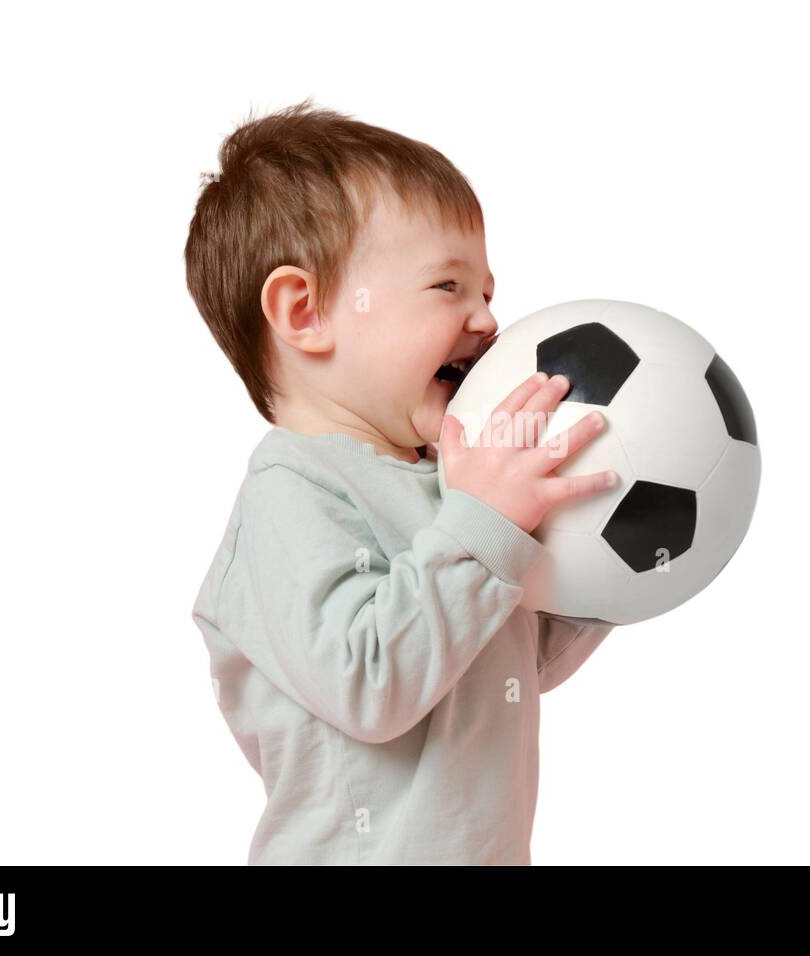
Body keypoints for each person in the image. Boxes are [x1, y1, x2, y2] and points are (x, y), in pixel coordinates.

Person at [185, 99, 619, 864]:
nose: (486, 320)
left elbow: (508, 663)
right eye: (448, 287)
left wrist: (604, 563)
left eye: (487, 291)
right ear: (306, 310)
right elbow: (372, 684)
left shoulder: (449, 486)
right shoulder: (292, 494)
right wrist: (484, 522)